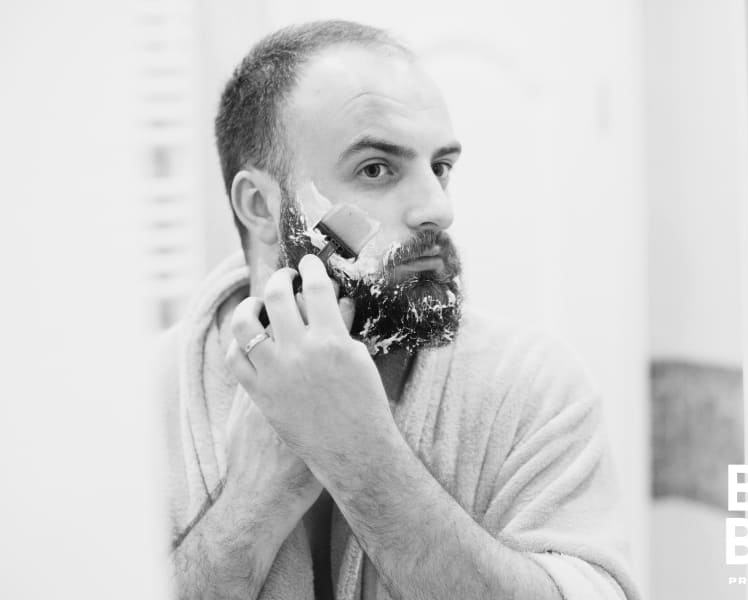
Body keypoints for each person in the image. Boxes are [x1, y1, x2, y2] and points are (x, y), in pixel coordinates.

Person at [156, 20, 637, 600]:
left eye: (440, 167)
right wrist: (251, 504)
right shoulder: (137, 403)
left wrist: (360, 457)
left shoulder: (533, 386)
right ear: (260, 204)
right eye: (376, 169)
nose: (437, 207)